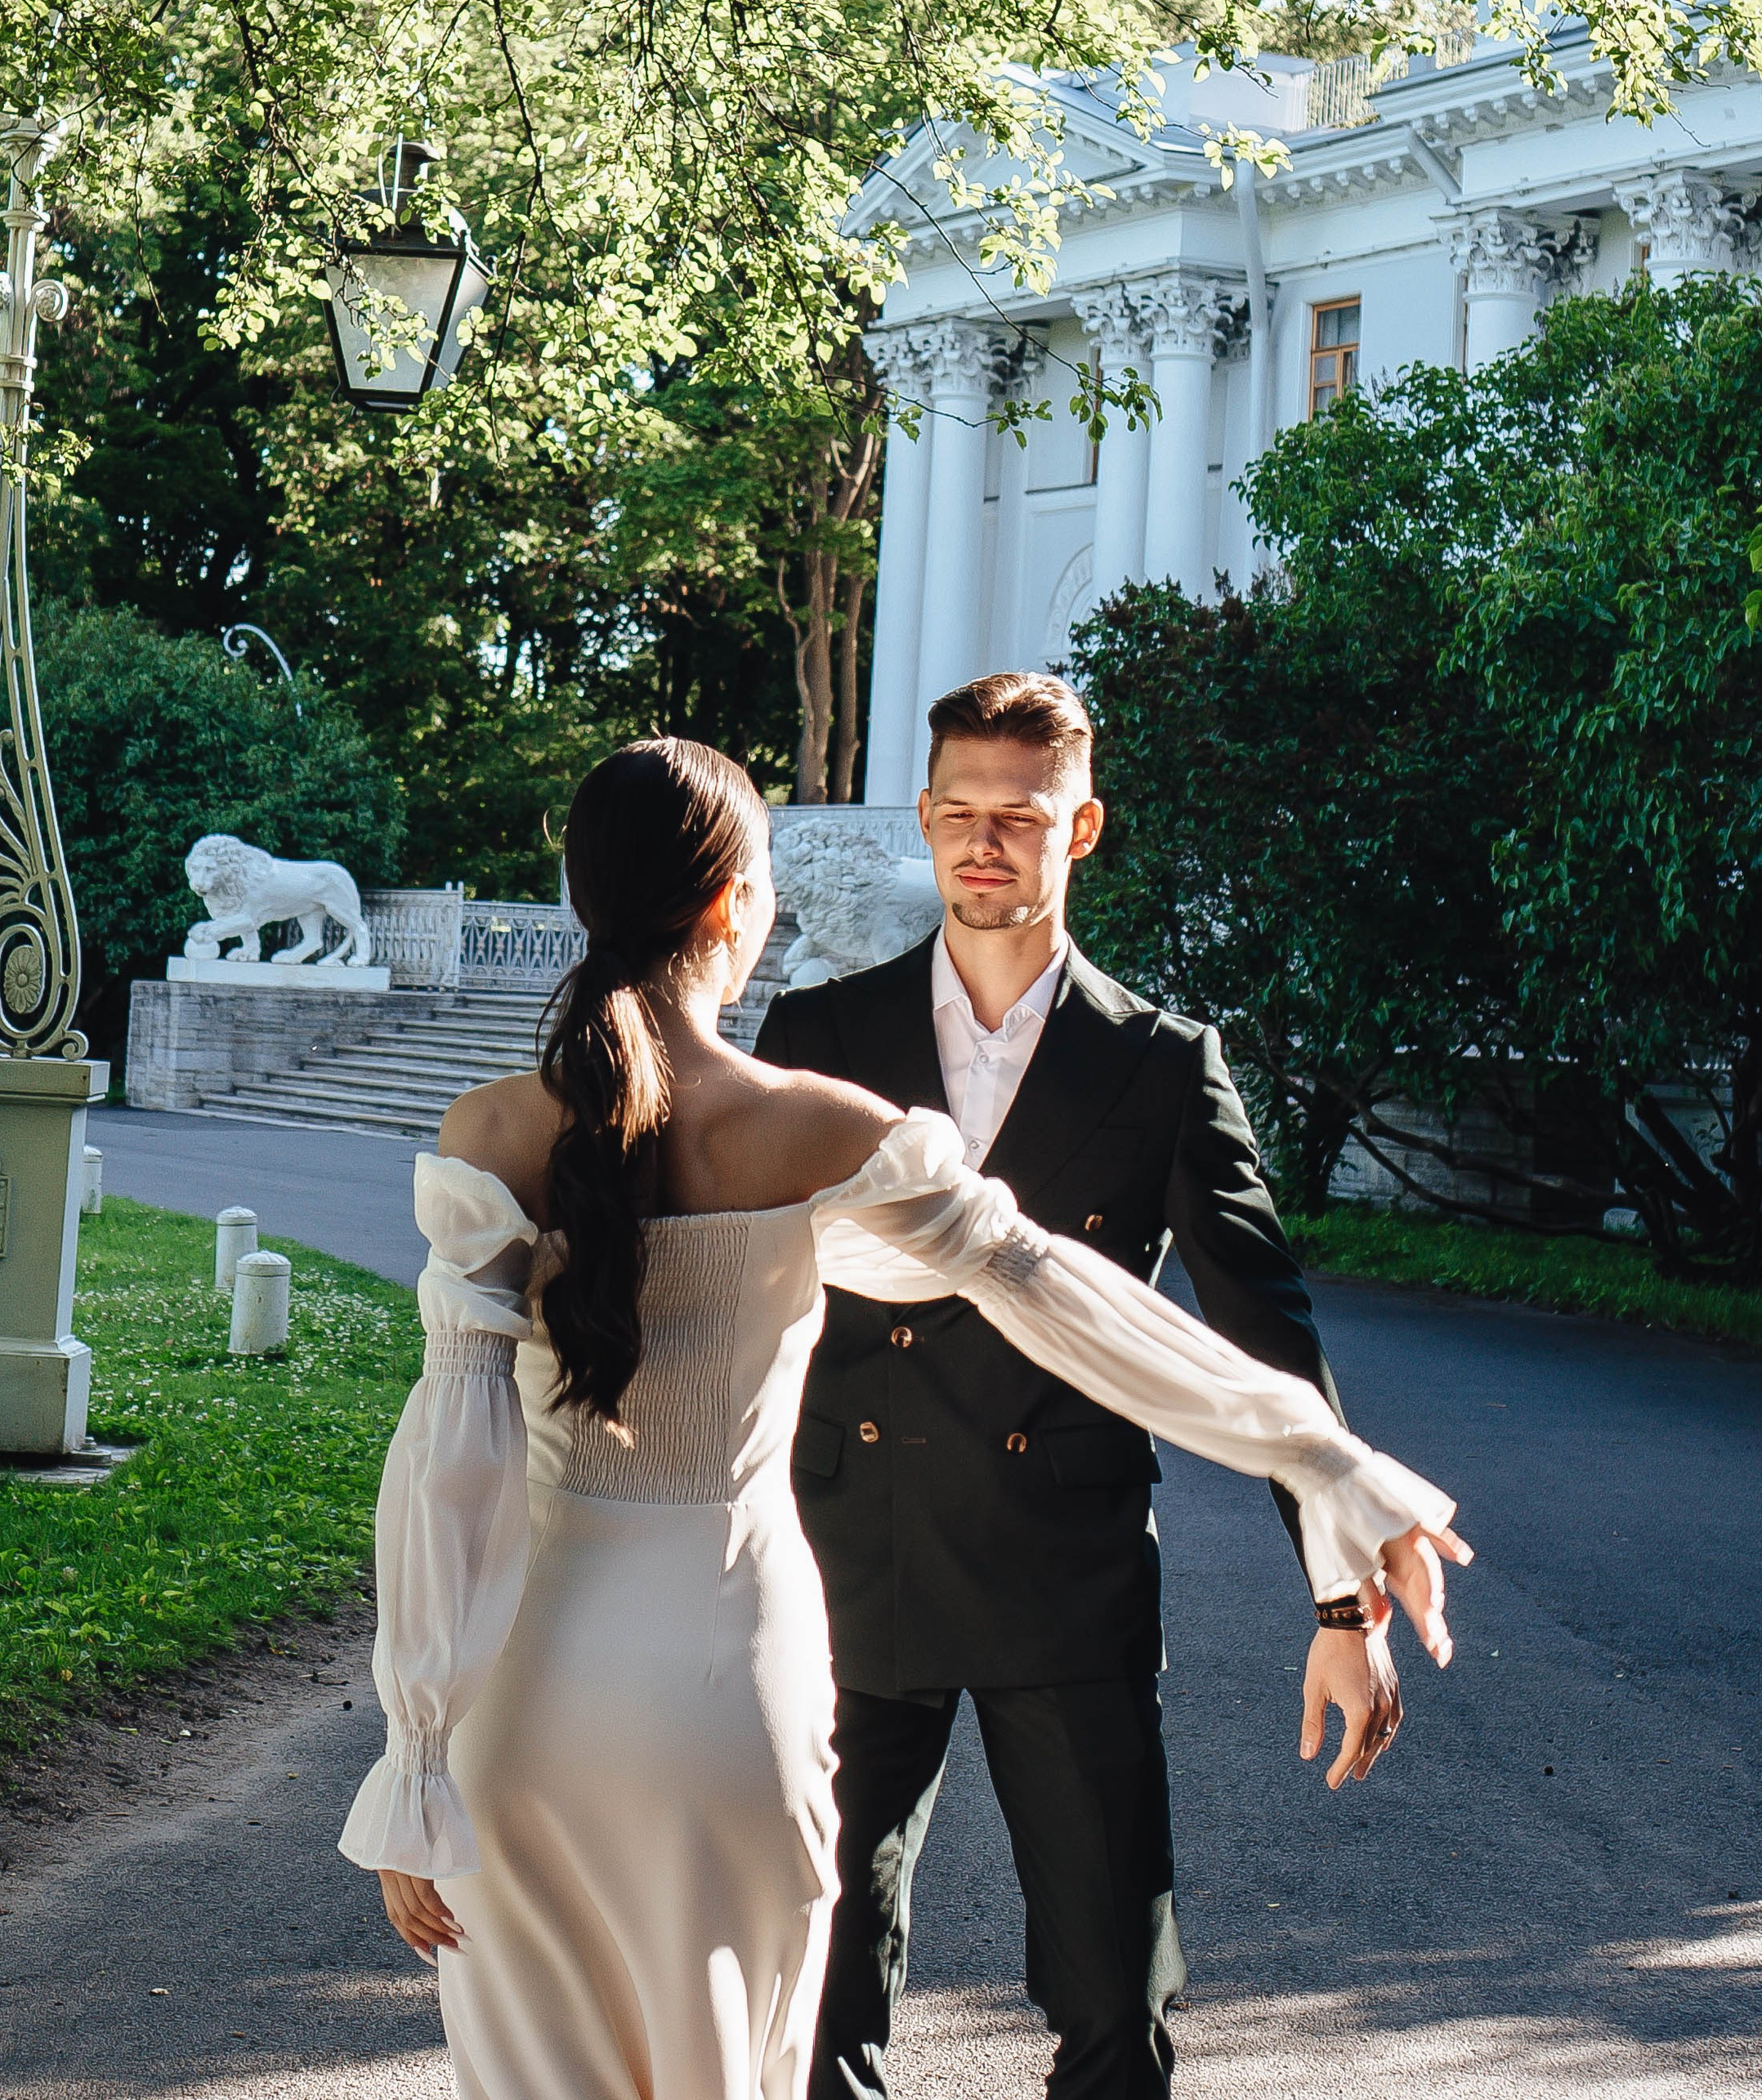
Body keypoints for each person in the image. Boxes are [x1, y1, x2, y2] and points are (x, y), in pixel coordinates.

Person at [340, 735, 1467, 2100]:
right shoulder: (818, 1128)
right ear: (733, 907)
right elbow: (1076, 1306)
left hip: (527, 1703)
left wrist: (415, 1757)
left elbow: (449, 1468)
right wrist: (1323, 1454)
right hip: (732, 1691)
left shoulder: (491, 1136)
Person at [754, 671, 1394, 2100]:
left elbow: (1266, 1350)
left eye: (1022, 820)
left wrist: (1342, 1600)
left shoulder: (1164, 1065)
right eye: (961, 816)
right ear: (924, 820)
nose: (987, 847)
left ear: (1082, 827)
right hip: (854, 1555)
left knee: (1117, 2003)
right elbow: (736, 1297)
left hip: (1067, 1568)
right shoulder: (820, 1035)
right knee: (817, 1993)